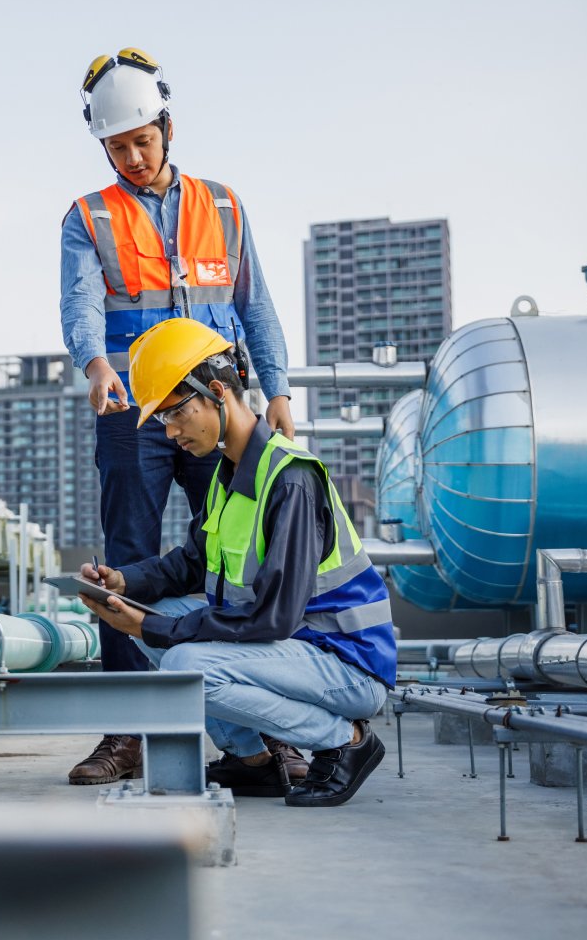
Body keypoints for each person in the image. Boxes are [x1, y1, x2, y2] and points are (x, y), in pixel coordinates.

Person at [60, 47, 295, 785]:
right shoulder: (88, 217)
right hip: (132, 412)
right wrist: (95, 364)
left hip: (221, 409)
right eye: (117, 146)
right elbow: (81, 304)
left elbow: (255, 304)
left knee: (232, 554)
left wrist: (279, 389)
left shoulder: (222, 205)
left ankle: (257, 730)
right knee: (125, 560)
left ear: (167, 127)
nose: (132, 157)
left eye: (142, 141)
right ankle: (127, 732)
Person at [74, 318, 396, 806]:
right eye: (161, 419)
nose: (171, 432)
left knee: (180, 657)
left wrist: (153, 629)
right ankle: (253, 762)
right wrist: (123, 581)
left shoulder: (289, 480)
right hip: (296, 651)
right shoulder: (229, 476)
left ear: (218, 392)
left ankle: (345, 742)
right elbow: (189, 563)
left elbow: (274, 616)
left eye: (175, 414)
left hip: (346, 665)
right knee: (165, 629)